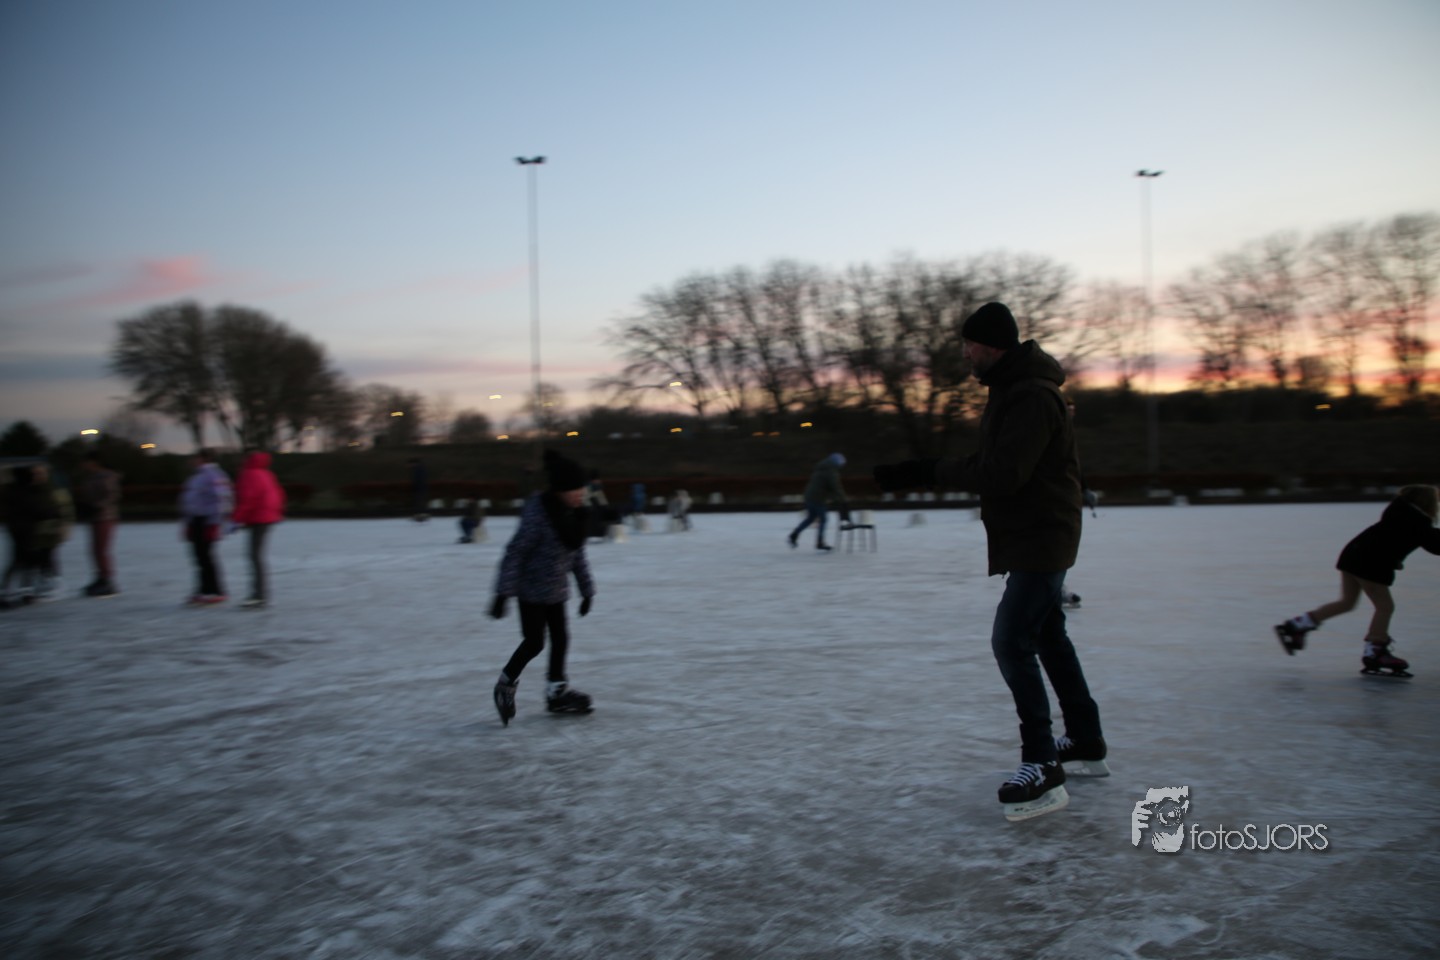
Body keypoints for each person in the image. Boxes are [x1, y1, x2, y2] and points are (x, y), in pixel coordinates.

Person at [873, 301, 1105, 822]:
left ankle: (1042, 763)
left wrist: (926, 470)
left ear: (992, 346)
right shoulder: (1014, 390)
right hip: (1036, 532)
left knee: (1011, 641)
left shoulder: (1029, 396)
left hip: (1041, 536)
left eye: (970, 345)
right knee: (1049, 636)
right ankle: (1085, 739)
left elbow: (1002, 474)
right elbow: (998, 465)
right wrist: (922, 471)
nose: (965, 354)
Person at [1274, 484, 1440, 676]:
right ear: (1426, 503)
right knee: (1385, 607)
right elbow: (1435, 544)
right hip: (1368, 563)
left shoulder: (1400, 514)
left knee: (1347, 602)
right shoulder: (1417, 522)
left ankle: (1296, 626)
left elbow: (1396, 540)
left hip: (1352, 556)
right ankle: (1376, 651)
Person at [489, 450, 598, 725]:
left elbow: (577, 555)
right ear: (560, 490)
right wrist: (503, 593)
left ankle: (556, 691)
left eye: (582, 489)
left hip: (557, 591)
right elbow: (515, 552)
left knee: (561, 638)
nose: (581, 494)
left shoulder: (575, 516)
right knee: (534, 642)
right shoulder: (538, 514)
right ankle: (505, 685)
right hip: (531, 591)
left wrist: (587, 591)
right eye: (575, 490)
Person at [232, 451, 286, 608]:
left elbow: (248, 499)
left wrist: (236, 519)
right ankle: (260, 594)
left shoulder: (248, 474)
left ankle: (259, 595)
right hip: (267, 518)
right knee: (256, 556)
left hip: (258, 518)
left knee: (254, 556)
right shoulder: (267, 473)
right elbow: (279, 494)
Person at [179, 449, 233, 605]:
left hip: (207, 521)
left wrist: (215, 521)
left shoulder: (213, 475)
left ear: (204, 459)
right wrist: (188, 521)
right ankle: (204, 589)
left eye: (195, 458)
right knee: (200, 557)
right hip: (196, 520)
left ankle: (216, 591)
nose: (191, 461)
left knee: (206, 557)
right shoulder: (197, 476)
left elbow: (222, 499)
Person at [1, 465, 58, 607]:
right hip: (27, 531)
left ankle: (11, 591)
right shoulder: (26, 491)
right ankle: (23, 591)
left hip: (16, 530)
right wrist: (51, 513)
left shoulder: (10, 490)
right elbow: (37, 509)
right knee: (26, 562)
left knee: (18, 562)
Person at [75, 451, 122, 597]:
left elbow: (112, 495)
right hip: (94, 517)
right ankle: (100, 578)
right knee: (95, 550)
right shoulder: (90, 477)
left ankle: (107, 580)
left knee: (101, 549)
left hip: (105, 517)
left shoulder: (107, 476)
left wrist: (97, 506)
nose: (83, 465)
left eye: (85, 462)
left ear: (93, 462)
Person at [787, 453, 850, 551]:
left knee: (810, 518)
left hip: (809, 496)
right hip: (818, 498)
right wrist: (843, 499)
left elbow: (826, 486)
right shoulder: (831, 471)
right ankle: (820, 542)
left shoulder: (821, 468)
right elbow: (835, 487)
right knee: (823, 519)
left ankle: (794, 534)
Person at [30, 464, 74, 601]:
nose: (38, 476)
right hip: (36, 531)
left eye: (40, 473)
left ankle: (55, 584)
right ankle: (45, 583)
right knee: (40, 557)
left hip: (51, 530)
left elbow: (66, 511)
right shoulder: (33, 490)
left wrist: (64, 527)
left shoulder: (56, 491)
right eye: (35, 473)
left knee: (48, 556)